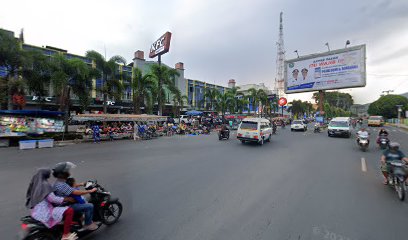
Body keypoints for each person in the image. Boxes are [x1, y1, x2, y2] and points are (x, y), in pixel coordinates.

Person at [26, 168, 77, 240]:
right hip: (45, 211)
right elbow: (53, 199)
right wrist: (67, 199)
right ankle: (66, 234)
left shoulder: (35, 184)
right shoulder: (45, 185)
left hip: (36, 211)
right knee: (69, 211)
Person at [52, 162, 99, 231]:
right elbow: (75, 192)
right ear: (64, 173)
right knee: (89, 206)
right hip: (65, 206)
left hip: (65, 202)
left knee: (82, 201)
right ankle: (88, 224)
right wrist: (90, 191)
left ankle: (82, 218)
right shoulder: (61, 185)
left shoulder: (60, 182)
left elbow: (70, 186)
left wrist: (81, 184)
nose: (69, 172)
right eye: (67, 171)